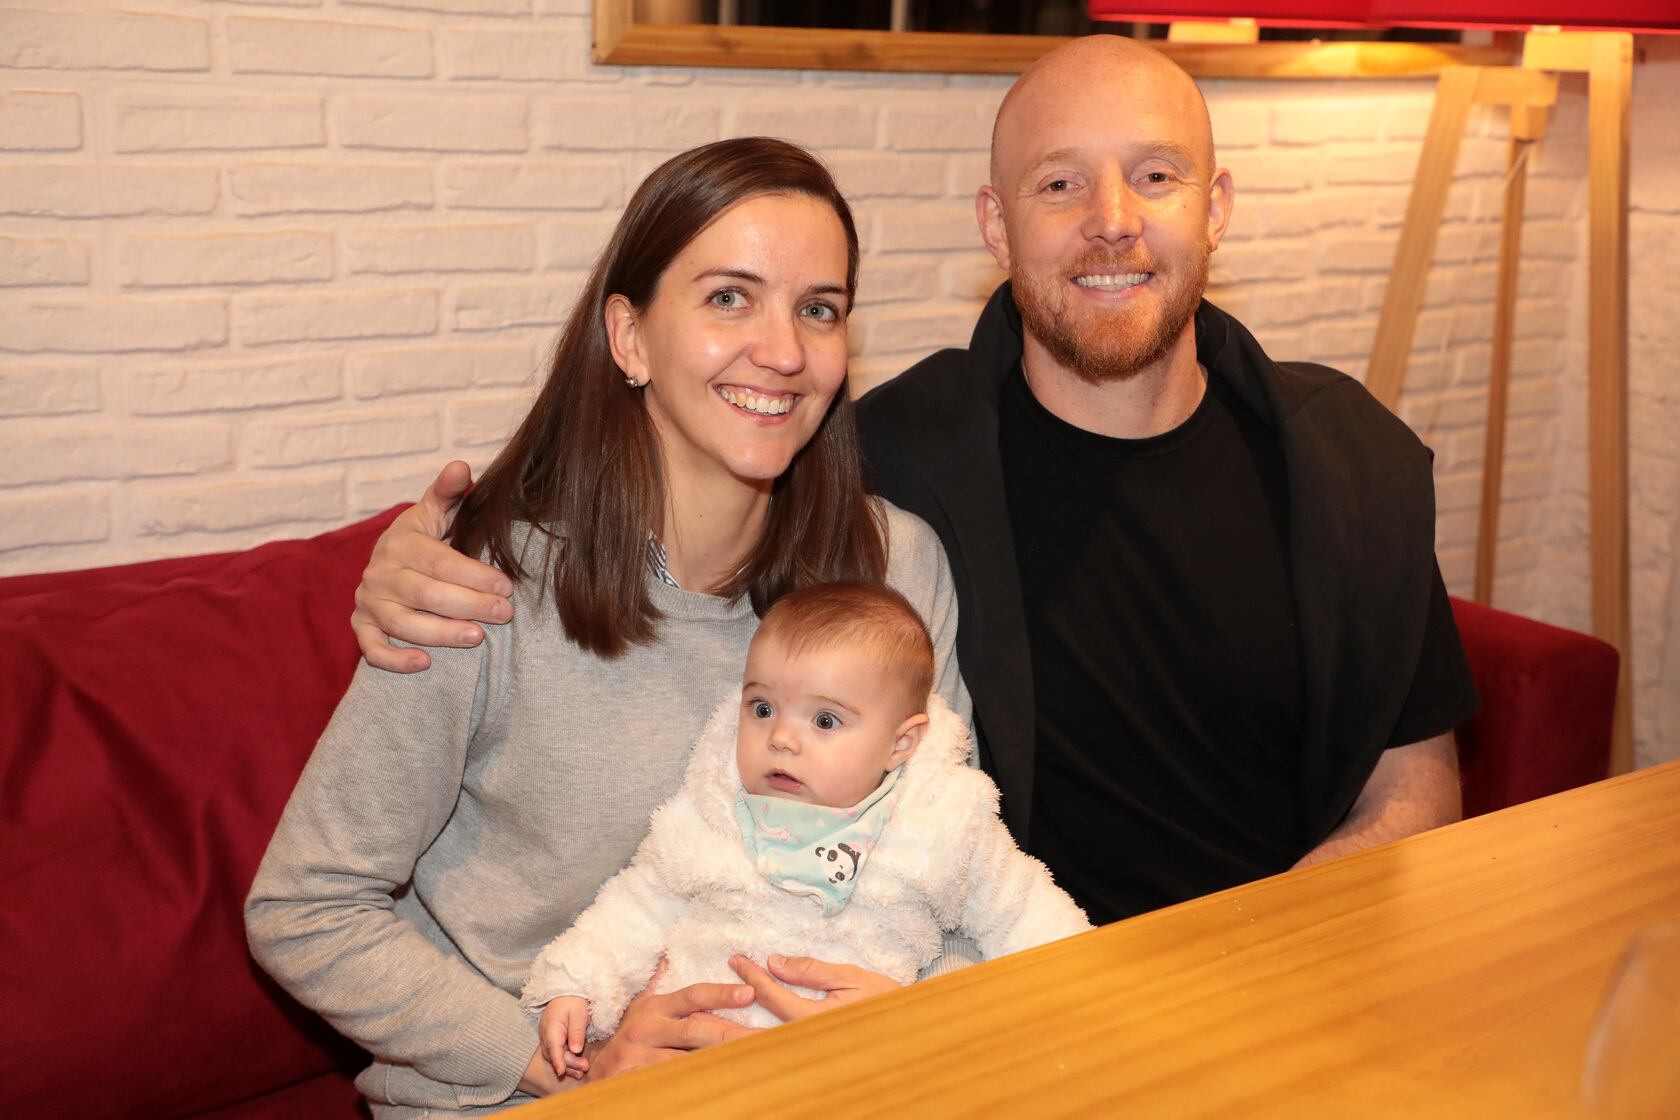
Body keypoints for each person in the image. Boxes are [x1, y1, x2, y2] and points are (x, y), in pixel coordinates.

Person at [349, 38, 1476, 929]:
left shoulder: (1348, 462)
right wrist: (437, 549)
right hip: (1015, 994)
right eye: (1058, 183)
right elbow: (669, 476)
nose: (1112, 223)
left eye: (1155, 175)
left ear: (1215, 207)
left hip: (1292, 956)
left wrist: (1247, 952)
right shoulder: (885, 464)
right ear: (997, 225)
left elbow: (1416, 793)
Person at [245, 137, 973, 1117]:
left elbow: (955, 856)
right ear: (628, 337)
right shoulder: (478, 585)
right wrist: (564, 1060)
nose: (786, 350)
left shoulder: (896, 567)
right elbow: (305, 907)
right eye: (729, 297)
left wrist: (904, 1010)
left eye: (819, 309)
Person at [524, 582, 1088, 1081]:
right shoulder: (716, 809)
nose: (782, 739)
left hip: (856, 1073)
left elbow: (1025, 914)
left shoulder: (942, 824)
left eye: (824, 720)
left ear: (901, 744)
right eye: (763, 708)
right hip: (694, 1069)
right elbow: (639, 901)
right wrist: (576, 982)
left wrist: (1091, 988)